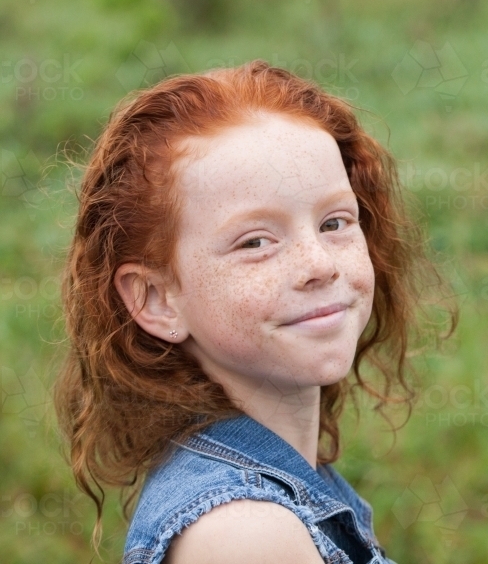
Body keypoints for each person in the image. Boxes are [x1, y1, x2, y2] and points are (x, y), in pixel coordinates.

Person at [53, 60, 457, 564]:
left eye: (334, 222)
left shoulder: (275, 486)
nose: (318, 264)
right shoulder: (245, 536)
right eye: (256, 241)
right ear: (156, 299)